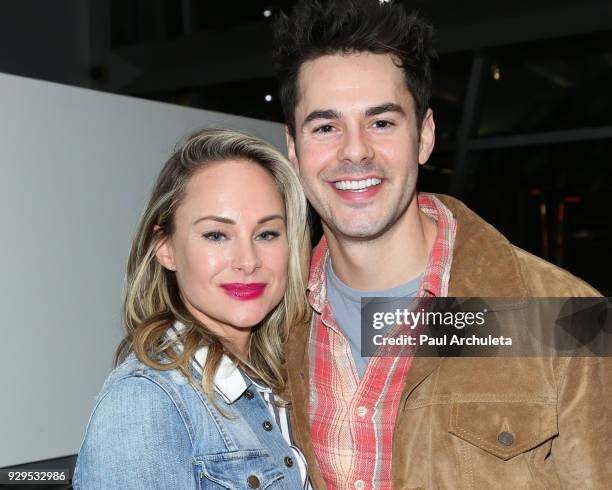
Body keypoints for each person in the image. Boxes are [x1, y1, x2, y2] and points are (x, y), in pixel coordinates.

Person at [273, 1, 611, 488]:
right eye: (325, 127)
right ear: (293, 149)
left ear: (425, 136)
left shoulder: (567, 318)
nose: (354, 150)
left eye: (382, 122)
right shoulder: (274, 327)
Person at [73, 128, 312, 489]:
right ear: (166, 248)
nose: (247, 261)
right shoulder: (145, 404)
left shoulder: (283, 381)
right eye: (216, 235)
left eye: (266, 234)